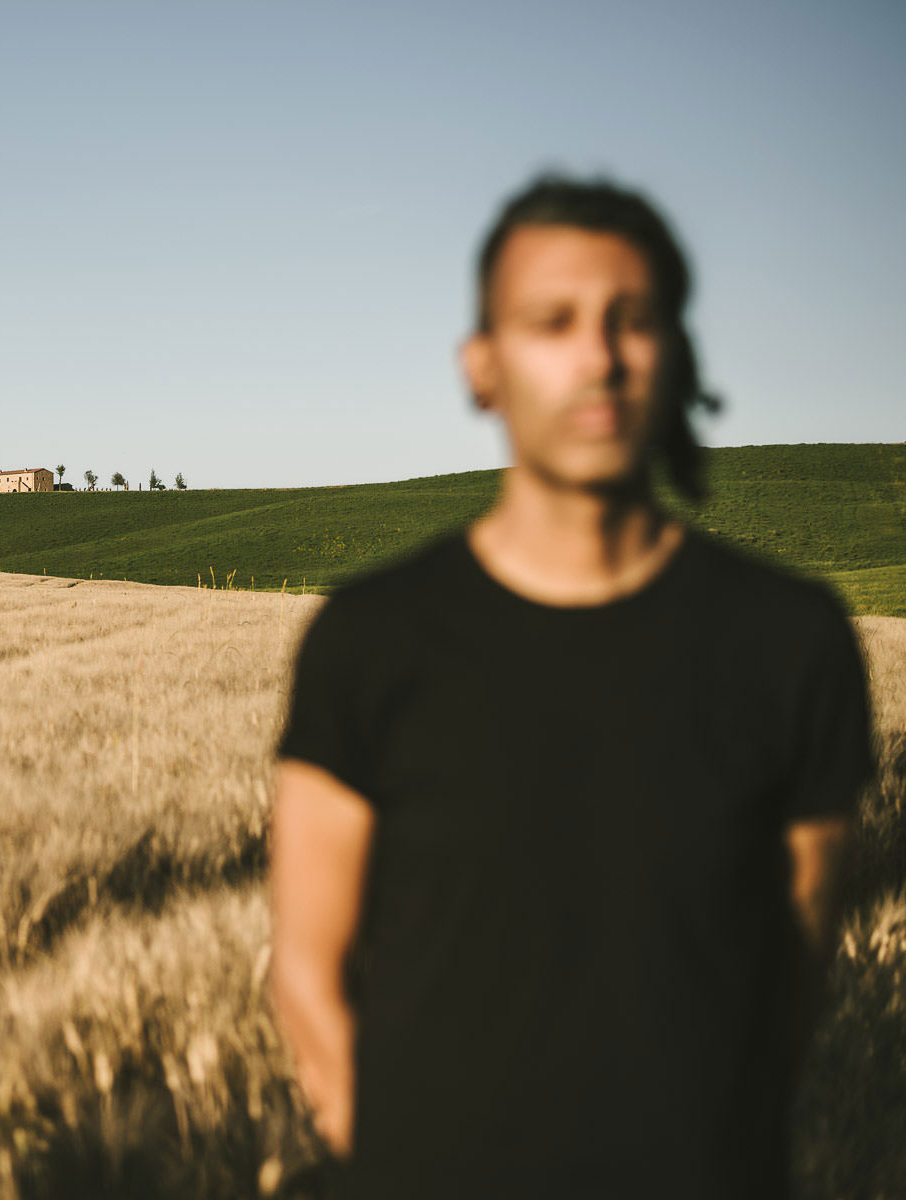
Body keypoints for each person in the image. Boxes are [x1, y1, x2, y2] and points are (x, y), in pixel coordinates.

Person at [268, 176, 875, 1199]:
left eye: (631, 320)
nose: (598, 358)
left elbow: (792, 971)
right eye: (552, 322)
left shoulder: (791, 642)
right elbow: (305, 968)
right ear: (483, 365)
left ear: (676, 353)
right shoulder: (370, 642)